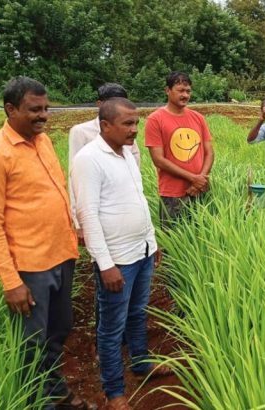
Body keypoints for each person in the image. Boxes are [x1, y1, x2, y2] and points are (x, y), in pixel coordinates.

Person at [0, 76, 94, 409]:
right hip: (30, 268)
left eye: (46, 108)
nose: (43, 116)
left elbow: (54, 195)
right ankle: (38, 401)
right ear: (10, 109)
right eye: (34, 110)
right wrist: (11, 282)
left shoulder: (42, 142)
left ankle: (53, 391)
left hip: (62, 256)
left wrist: (75, 230)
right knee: (31, 344)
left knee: (58, 332)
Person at [72, 98, 168, 410]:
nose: (134, 130)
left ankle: (141, 365)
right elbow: (89, 215)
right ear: (105, 125)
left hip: (141, 251)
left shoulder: (126, 153)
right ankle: (114, 393)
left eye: (136, 123)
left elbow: (138, 199)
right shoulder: (89, 159)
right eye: (127, 124)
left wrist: (151, 241)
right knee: (112, 329)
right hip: (117, 260)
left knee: (138, 313)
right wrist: (105, 264)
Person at [69, 83, 140, 240]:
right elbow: (74, 179)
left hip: (125, 211)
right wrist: (79, 222)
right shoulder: (81, 132)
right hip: (98, 208)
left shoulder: (128, 131)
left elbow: (135, 172)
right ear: (99, 104)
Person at [145, 72, 214, 228]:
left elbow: (209, 151)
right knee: (173, 242)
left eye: (188, 91)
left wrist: (199, 180)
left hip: (199, 190)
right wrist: (193, 178)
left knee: (199, 238)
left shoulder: (198, 118)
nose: (185, 95)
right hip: (173, 194)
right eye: (180, 90)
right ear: (167, 90)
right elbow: (159, 160)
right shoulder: (155, 119)